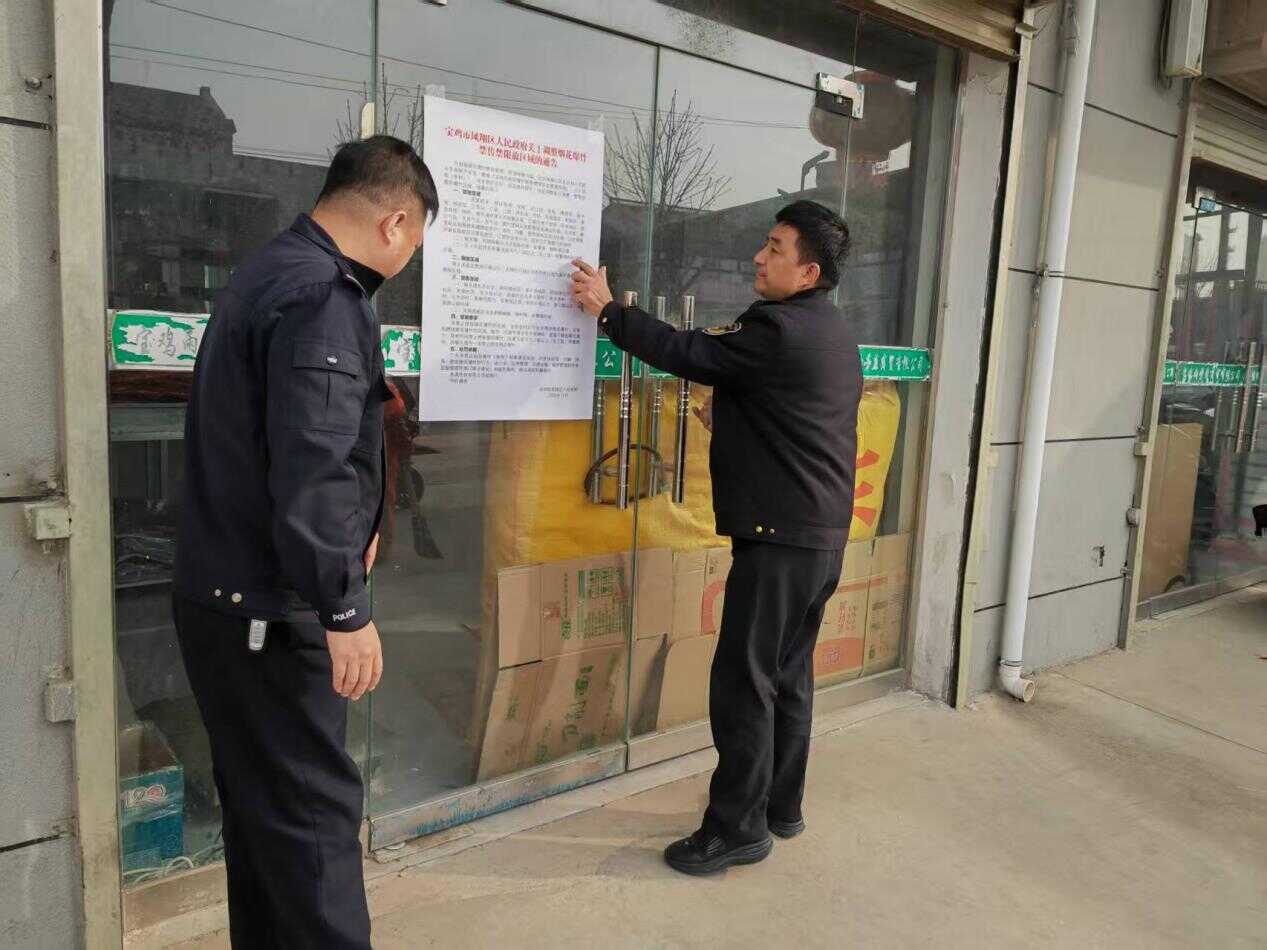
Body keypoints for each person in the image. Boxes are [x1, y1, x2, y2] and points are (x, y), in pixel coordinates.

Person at [173, 135, 438, 945]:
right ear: (395, 223)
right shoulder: (323, 296)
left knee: (265, 816)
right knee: (314, 821)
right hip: (271, 607)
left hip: (223, 597)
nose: (408, 259)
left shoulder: (266, 272)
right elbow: (312, 465)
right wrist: (343, 607)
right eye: (416, 242)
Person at [571, 200, 861, 876]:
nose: (759, 257)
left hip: (779, 539)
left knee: (743, 684)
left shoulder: (776, 327)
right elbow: (794, 417)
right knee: (787, 677)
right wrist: (730, 420)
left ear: (808, 271)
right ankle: (779, 807)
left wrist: (610, 312)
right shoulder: (831, 331)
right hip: (816, 537)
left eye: (775, 248)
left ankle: (735, 830)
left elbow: (690, 352)